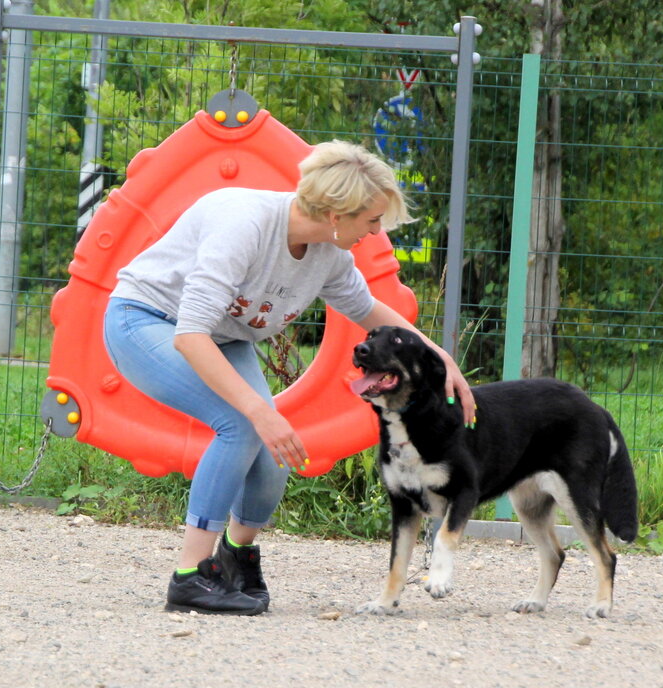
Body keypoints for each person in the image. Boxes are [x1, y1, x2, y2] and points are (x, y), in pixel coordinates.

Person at [103, 139, 476, 616]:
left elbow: (368, 310)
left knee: (276, 452)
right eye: (372, 220)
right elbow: (191, 333)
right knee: (243, 424)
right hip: (145, 320)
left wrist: (442, 359)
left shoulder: (330, 254)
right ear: (338, 213)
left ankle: (236, 556)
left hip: (223, 336)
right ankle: (190, 576)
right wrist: (261, 411)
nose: (376, 230)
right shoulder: (243, 223)